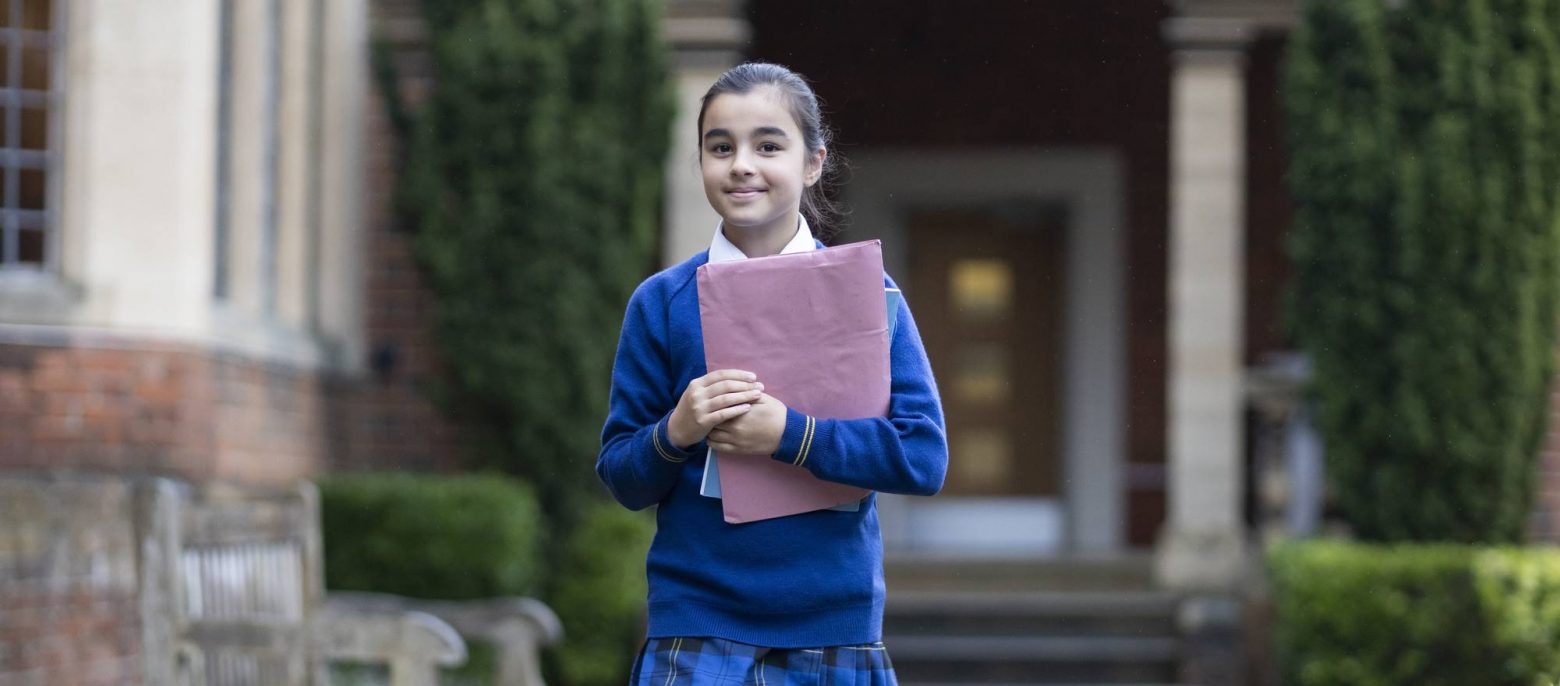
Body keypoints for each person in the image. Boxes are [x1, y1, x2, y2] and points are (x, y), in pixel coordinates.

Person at [596, 62, 948, 686]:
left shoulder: (870, 297)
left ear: (813, 162)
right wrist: (675, 430)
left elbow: (922, 459)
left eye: (768, 145)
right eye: (720, 147)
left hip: (833, 628)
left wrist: (791, 433)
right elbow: (623, 479)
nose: (741, 165)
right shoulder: (661, 302)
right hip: (698, 626)